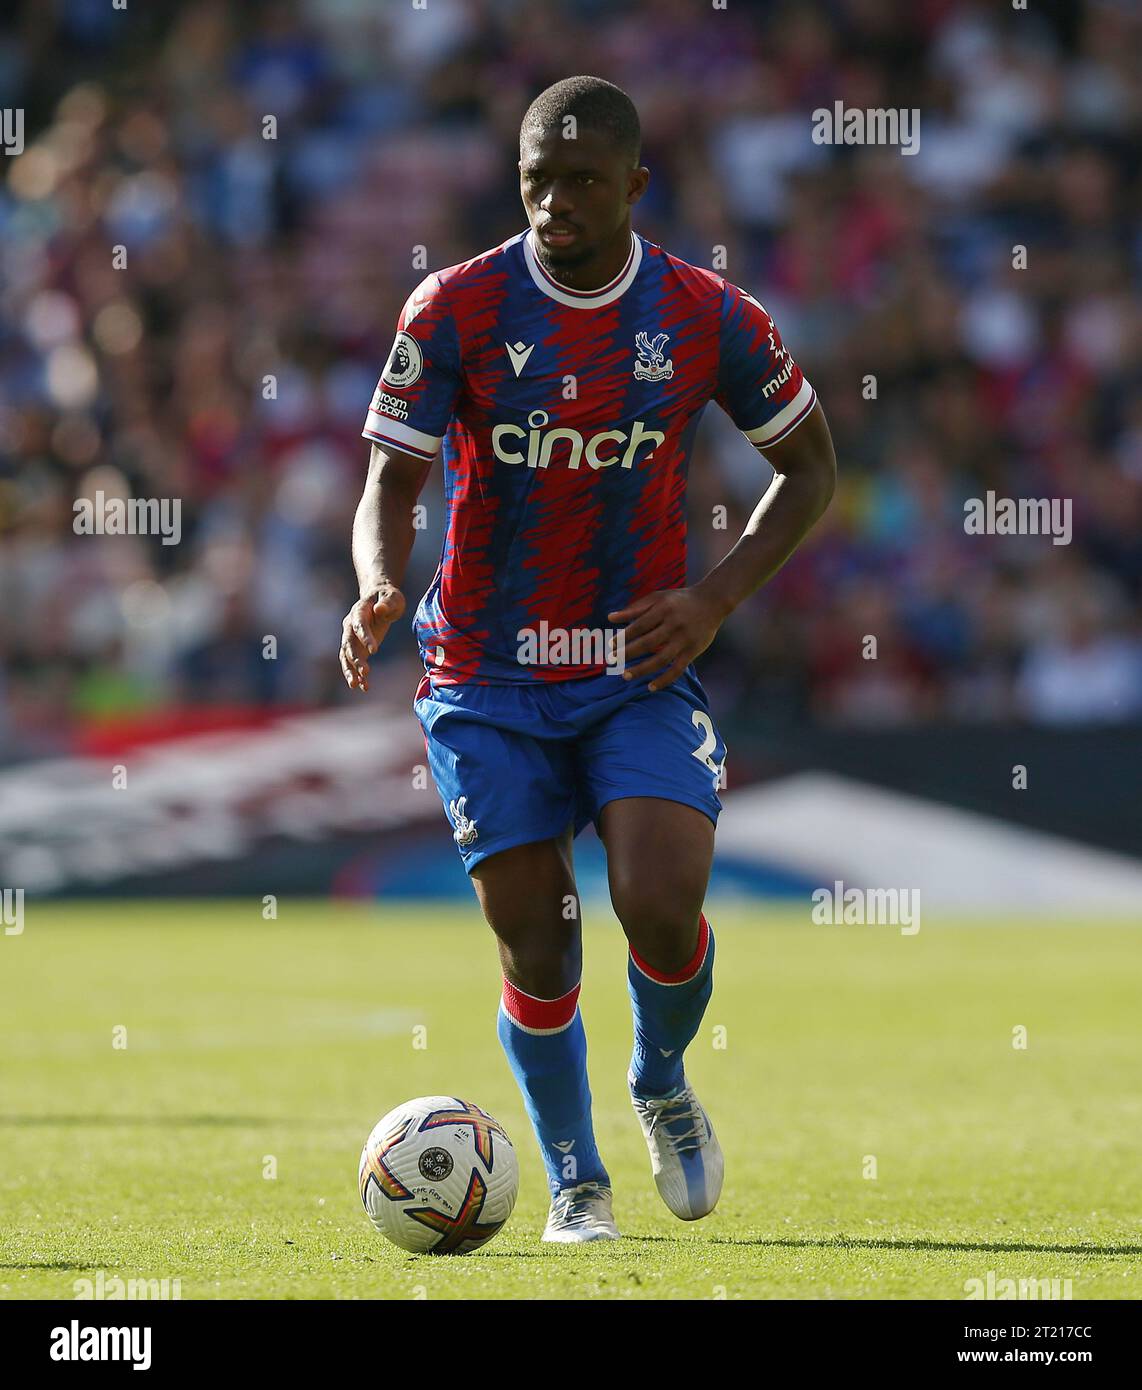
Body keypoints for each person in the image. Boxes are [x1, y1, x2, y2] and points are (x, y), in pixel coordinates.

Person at [340, 76, 836, 1242]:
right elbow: (391, 481)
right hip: (482, 673)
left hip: (633, 663)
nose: (555, 204)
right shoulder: (454, 307)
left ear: (634, 187)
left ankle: (659, 1081)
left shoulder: (706, 314)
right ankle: (574, 1181)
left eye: (581, 183)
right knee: (540, 935)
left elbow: (809, 468)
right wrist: (373, 579)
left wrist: (714, 599)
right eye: (536, 182)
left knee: (660, 905)